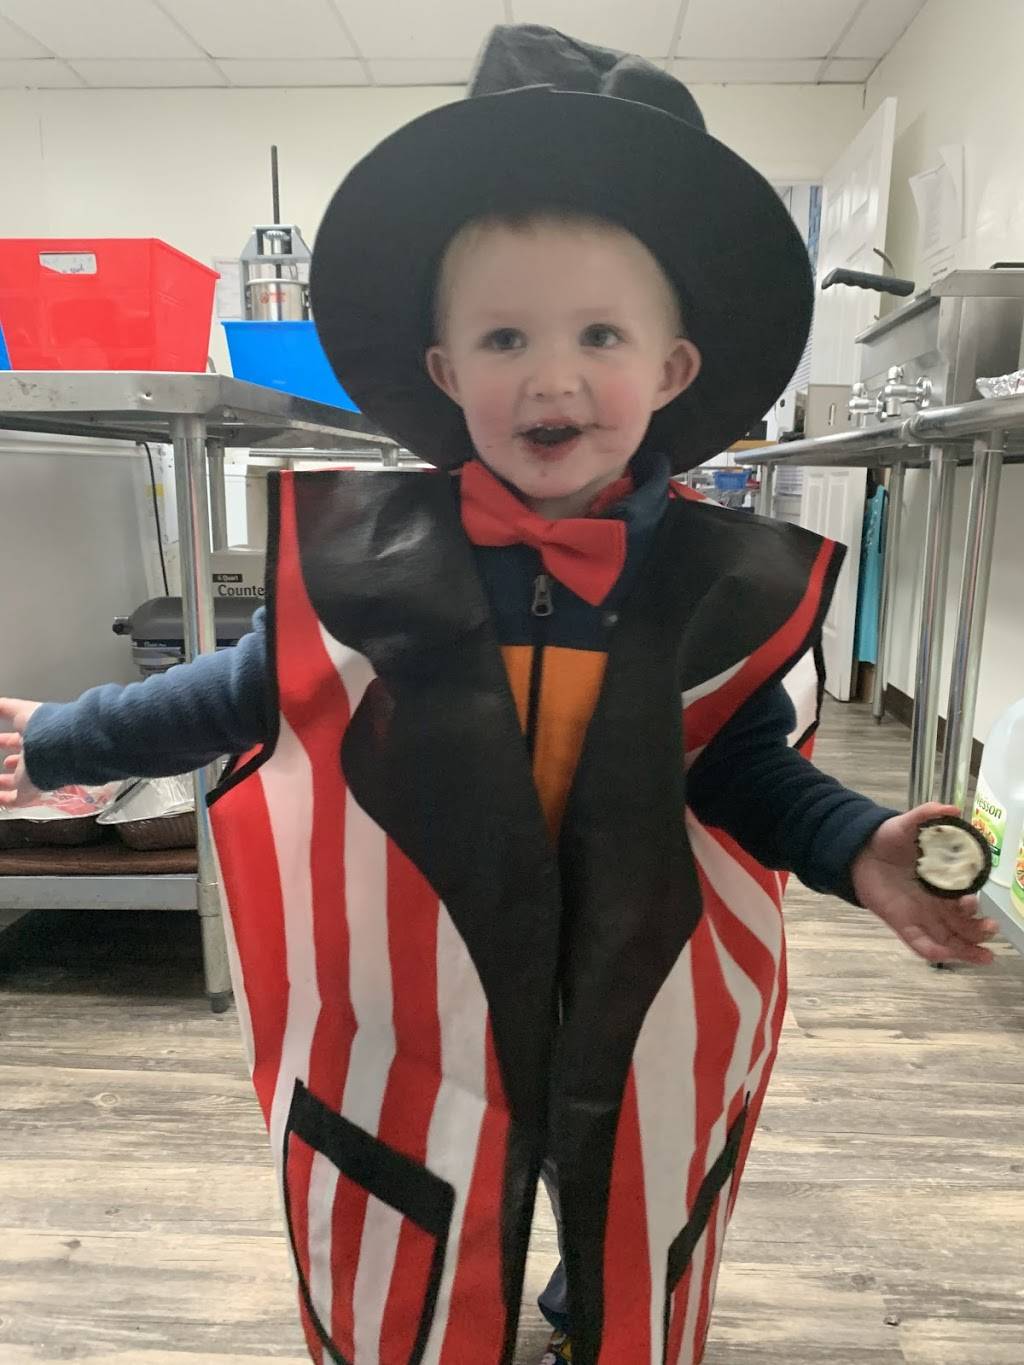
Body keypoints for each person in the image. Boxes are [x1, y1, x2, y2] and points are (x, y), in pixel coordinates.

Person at [0, 26, 996, 1365]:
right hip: (430, 956)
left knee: (622, 1163)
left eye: (601, 334)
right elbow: (241, 690)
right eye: (505, 335)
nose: (552, 374)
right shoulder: (362, 567)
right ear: (445, 370)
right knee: (426, 1164)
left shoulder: (720, 588)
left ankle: (591, 1303)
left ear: (673, 368)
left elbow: (746, 767)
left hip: (637, 951)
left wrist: (857, 844)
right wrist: (65, 736)